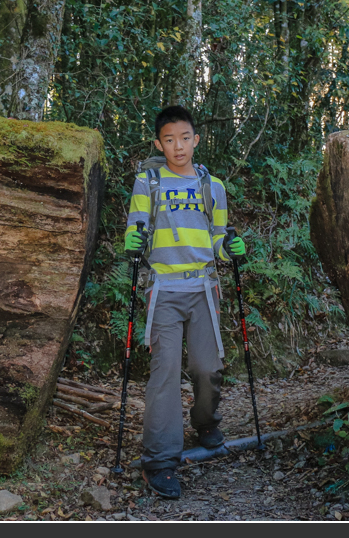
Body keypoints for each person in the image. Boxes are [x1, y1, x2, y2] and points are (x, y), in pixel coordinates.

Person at [124, 105, 247, 499]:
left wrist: (230, 249)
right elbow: (136, 230)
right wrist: (132, 243)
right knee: (164, 373)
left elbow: (218, 238)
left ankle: (205, 421)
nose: (178, 146)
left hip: (203, 289)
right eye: (169, 140)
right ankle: (160, 460)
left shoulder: (213, 187)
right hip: (164, 289)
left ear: (196, 139)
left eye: (185, 138)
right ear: (159, 143)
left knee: (207, 367)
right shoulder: (150, 182)